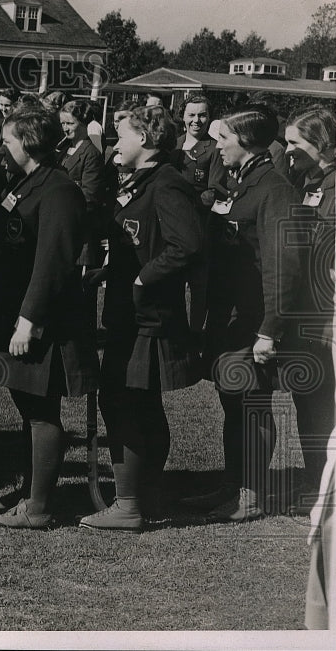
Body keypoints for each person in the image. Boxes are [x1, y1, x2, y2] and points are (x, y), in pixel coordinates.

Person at [78, 104, 202, 532]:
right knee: (140, 402)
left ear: (145, 141)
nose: (114, 143)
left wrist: (140, 279)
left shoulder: (167, 183)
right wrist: (109, 272)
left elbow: (186, 245)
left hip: (146, 317)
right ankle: (144, 493)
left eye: (122, 135)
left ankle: (129, 503)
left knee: (123, 400)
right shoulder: (141, 180)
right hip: (130, 314)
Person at [0, 108, 99, 528]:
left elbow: (53, 262)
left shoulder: (59, 189)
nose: (1, 149)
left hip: (43, 323)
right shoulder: (27, 184)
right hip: (18, 313)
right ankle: (31, 491)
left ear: (28, 144)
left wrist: (28, 320)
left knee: (41, 411)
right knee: (27, 406)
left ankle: (39, 507)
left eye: (7, 141)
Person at [183, 104, 301, 522]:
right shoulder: (242, 182)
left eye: (224, 139)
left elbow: (281, 264)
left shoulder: (274, 188)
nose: (217, 144)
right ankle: (233, 487)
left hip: (254, 322)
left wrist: (270, 330)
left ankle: (250, 492)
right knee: (233, 401)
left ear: (246, 142)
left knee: (251, 403)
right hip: (232, 319)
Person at [282, 107, 336, 507]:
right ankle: (316, 479)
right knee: (308, 397)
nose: (287, 151)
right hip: (306, 313)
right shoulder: (305, 179)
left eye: (294, 143)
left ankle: (328, 484)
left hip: (329, 316)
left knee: (326, 401)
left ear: (320, 144)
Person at [59, 99, 109, 333]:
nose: (65, 128)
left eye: (70, 123)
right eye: (63, 123)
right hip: (61, 227)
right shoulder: (61, 148)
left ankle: (84, 332)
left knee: (82, 285)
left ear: (82, 123)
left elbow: (91, 195)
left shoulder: (90, 152)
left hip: (81, 230)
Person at [171, 95, 215, 341]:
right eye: (191, 115)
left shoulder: (215, 148)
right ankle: (175, 331)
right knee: (173, 280)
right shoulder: (173, 146)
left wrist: (190, 203)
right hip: (172, 226)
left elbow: (215, 188)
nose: (196, 120)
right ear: (183, 117)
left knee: (199, 284)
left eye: (202, 115)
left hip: (200, 225)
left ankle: (196, 334)